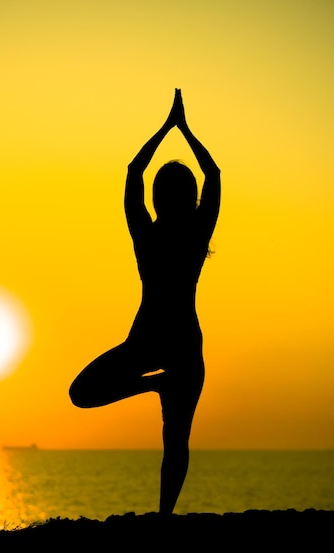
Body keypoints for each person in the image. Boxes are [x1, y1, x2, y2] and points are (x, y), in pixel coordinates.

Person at [69, 89, 221, 515]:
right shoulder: (195, 236)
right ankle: (164, 517)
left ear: (158, 198)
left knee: (81, 393)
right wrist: (185, 130)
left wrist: (166, 128)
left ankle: (153, 384)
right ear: (189, 198)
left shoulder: (147, 236)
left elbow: (134, 170)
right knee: (177, 440)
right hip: (184, 347)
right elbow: (215, 174)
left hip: (147, 341)